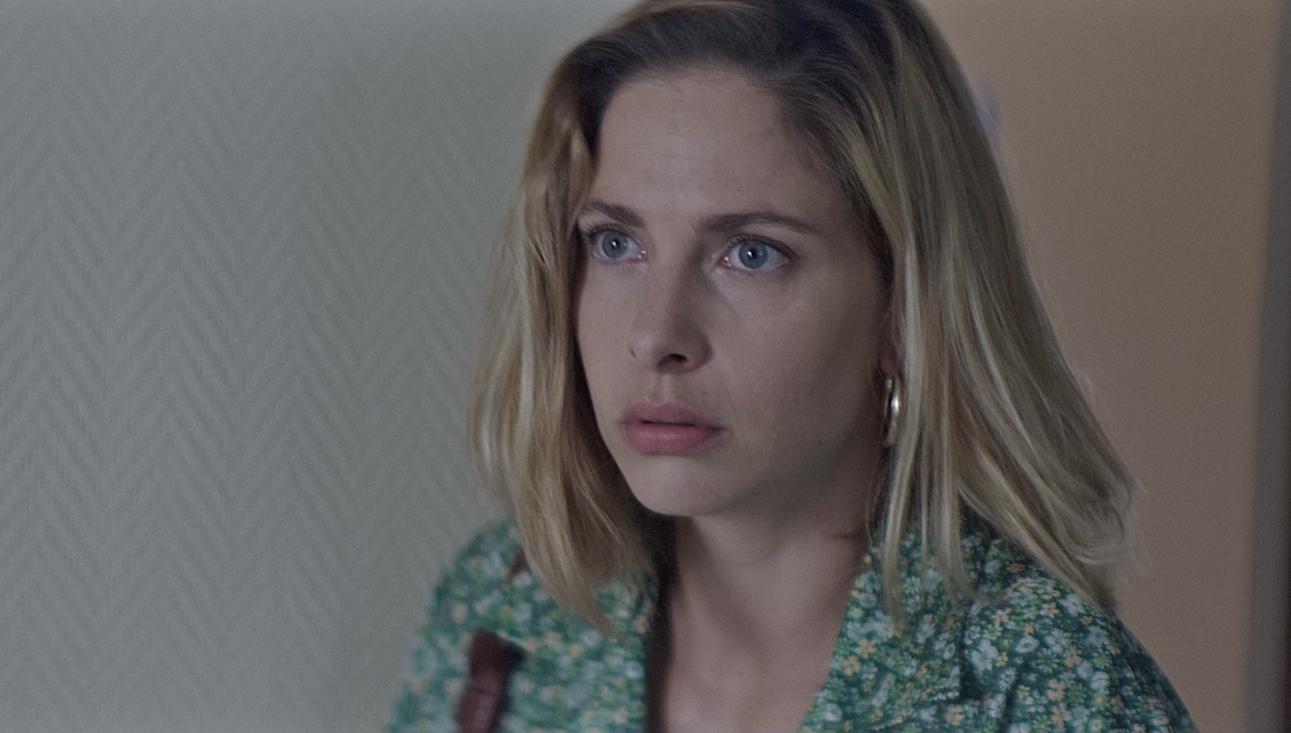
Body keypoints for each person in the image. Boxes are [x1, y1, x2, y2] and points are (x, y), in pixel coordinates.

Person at [389, 0, 1196, 731]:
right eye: (617, 242)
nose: (656, 335)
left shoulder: (1054, 690)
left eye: (751, 253)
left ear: (904, 309)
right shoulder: (508, 608)